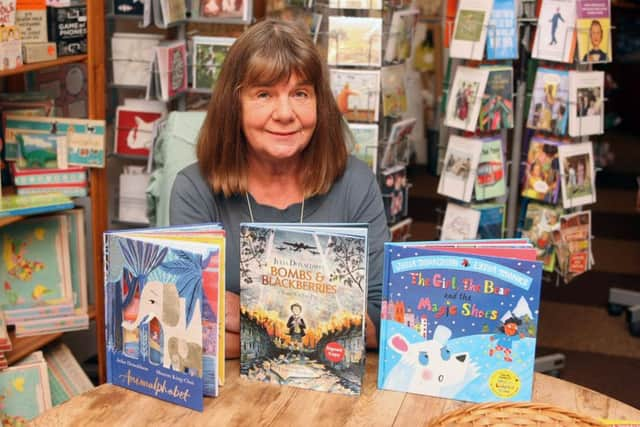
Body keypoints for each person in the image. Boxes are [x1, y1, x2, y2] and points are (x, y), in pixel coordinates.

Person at [169, 19, 390, 359]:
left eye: (300, 93)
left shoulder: (356, 184)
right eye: (263, 94)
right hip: (228, 400)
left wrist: (241, 313)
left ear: (320, 103)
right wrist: (331, 325)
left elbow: (381, 317)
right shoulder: (194, 189)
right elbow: (191, 328)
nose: (285, 113)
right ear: (234, 105)